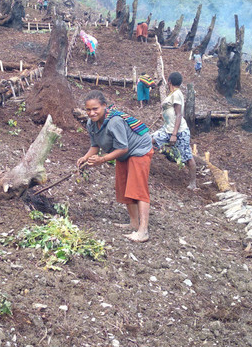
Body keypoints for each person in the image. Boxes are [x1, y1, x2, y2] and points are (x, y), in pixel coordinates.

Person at [77, 91, 154, 242]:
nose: (92, 113)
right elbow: (95, 145)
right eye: (88, 110)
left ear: (104, 106)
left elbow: (123, 147)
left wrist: (103, 159)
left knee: (138, 188)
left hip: (138, 149)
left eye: (95, 109)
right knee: (124, 185)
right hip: (123, 152)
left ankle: (143, 231)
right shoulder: (90, 124)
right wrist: (85, 158)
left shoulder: (115, 122)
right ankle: (133, 223)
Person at [151, 72, 197, 190]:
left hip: (179, 131)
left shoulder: (177, 94)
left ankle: (193, 183)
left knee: (187, 157)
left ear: (169, 81)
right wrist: (164, 116)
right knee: (150, 139)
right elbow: (171, 112)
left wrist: (174, 134)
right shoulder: (173, 94)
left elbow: (178, 114)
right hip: (167, 129)